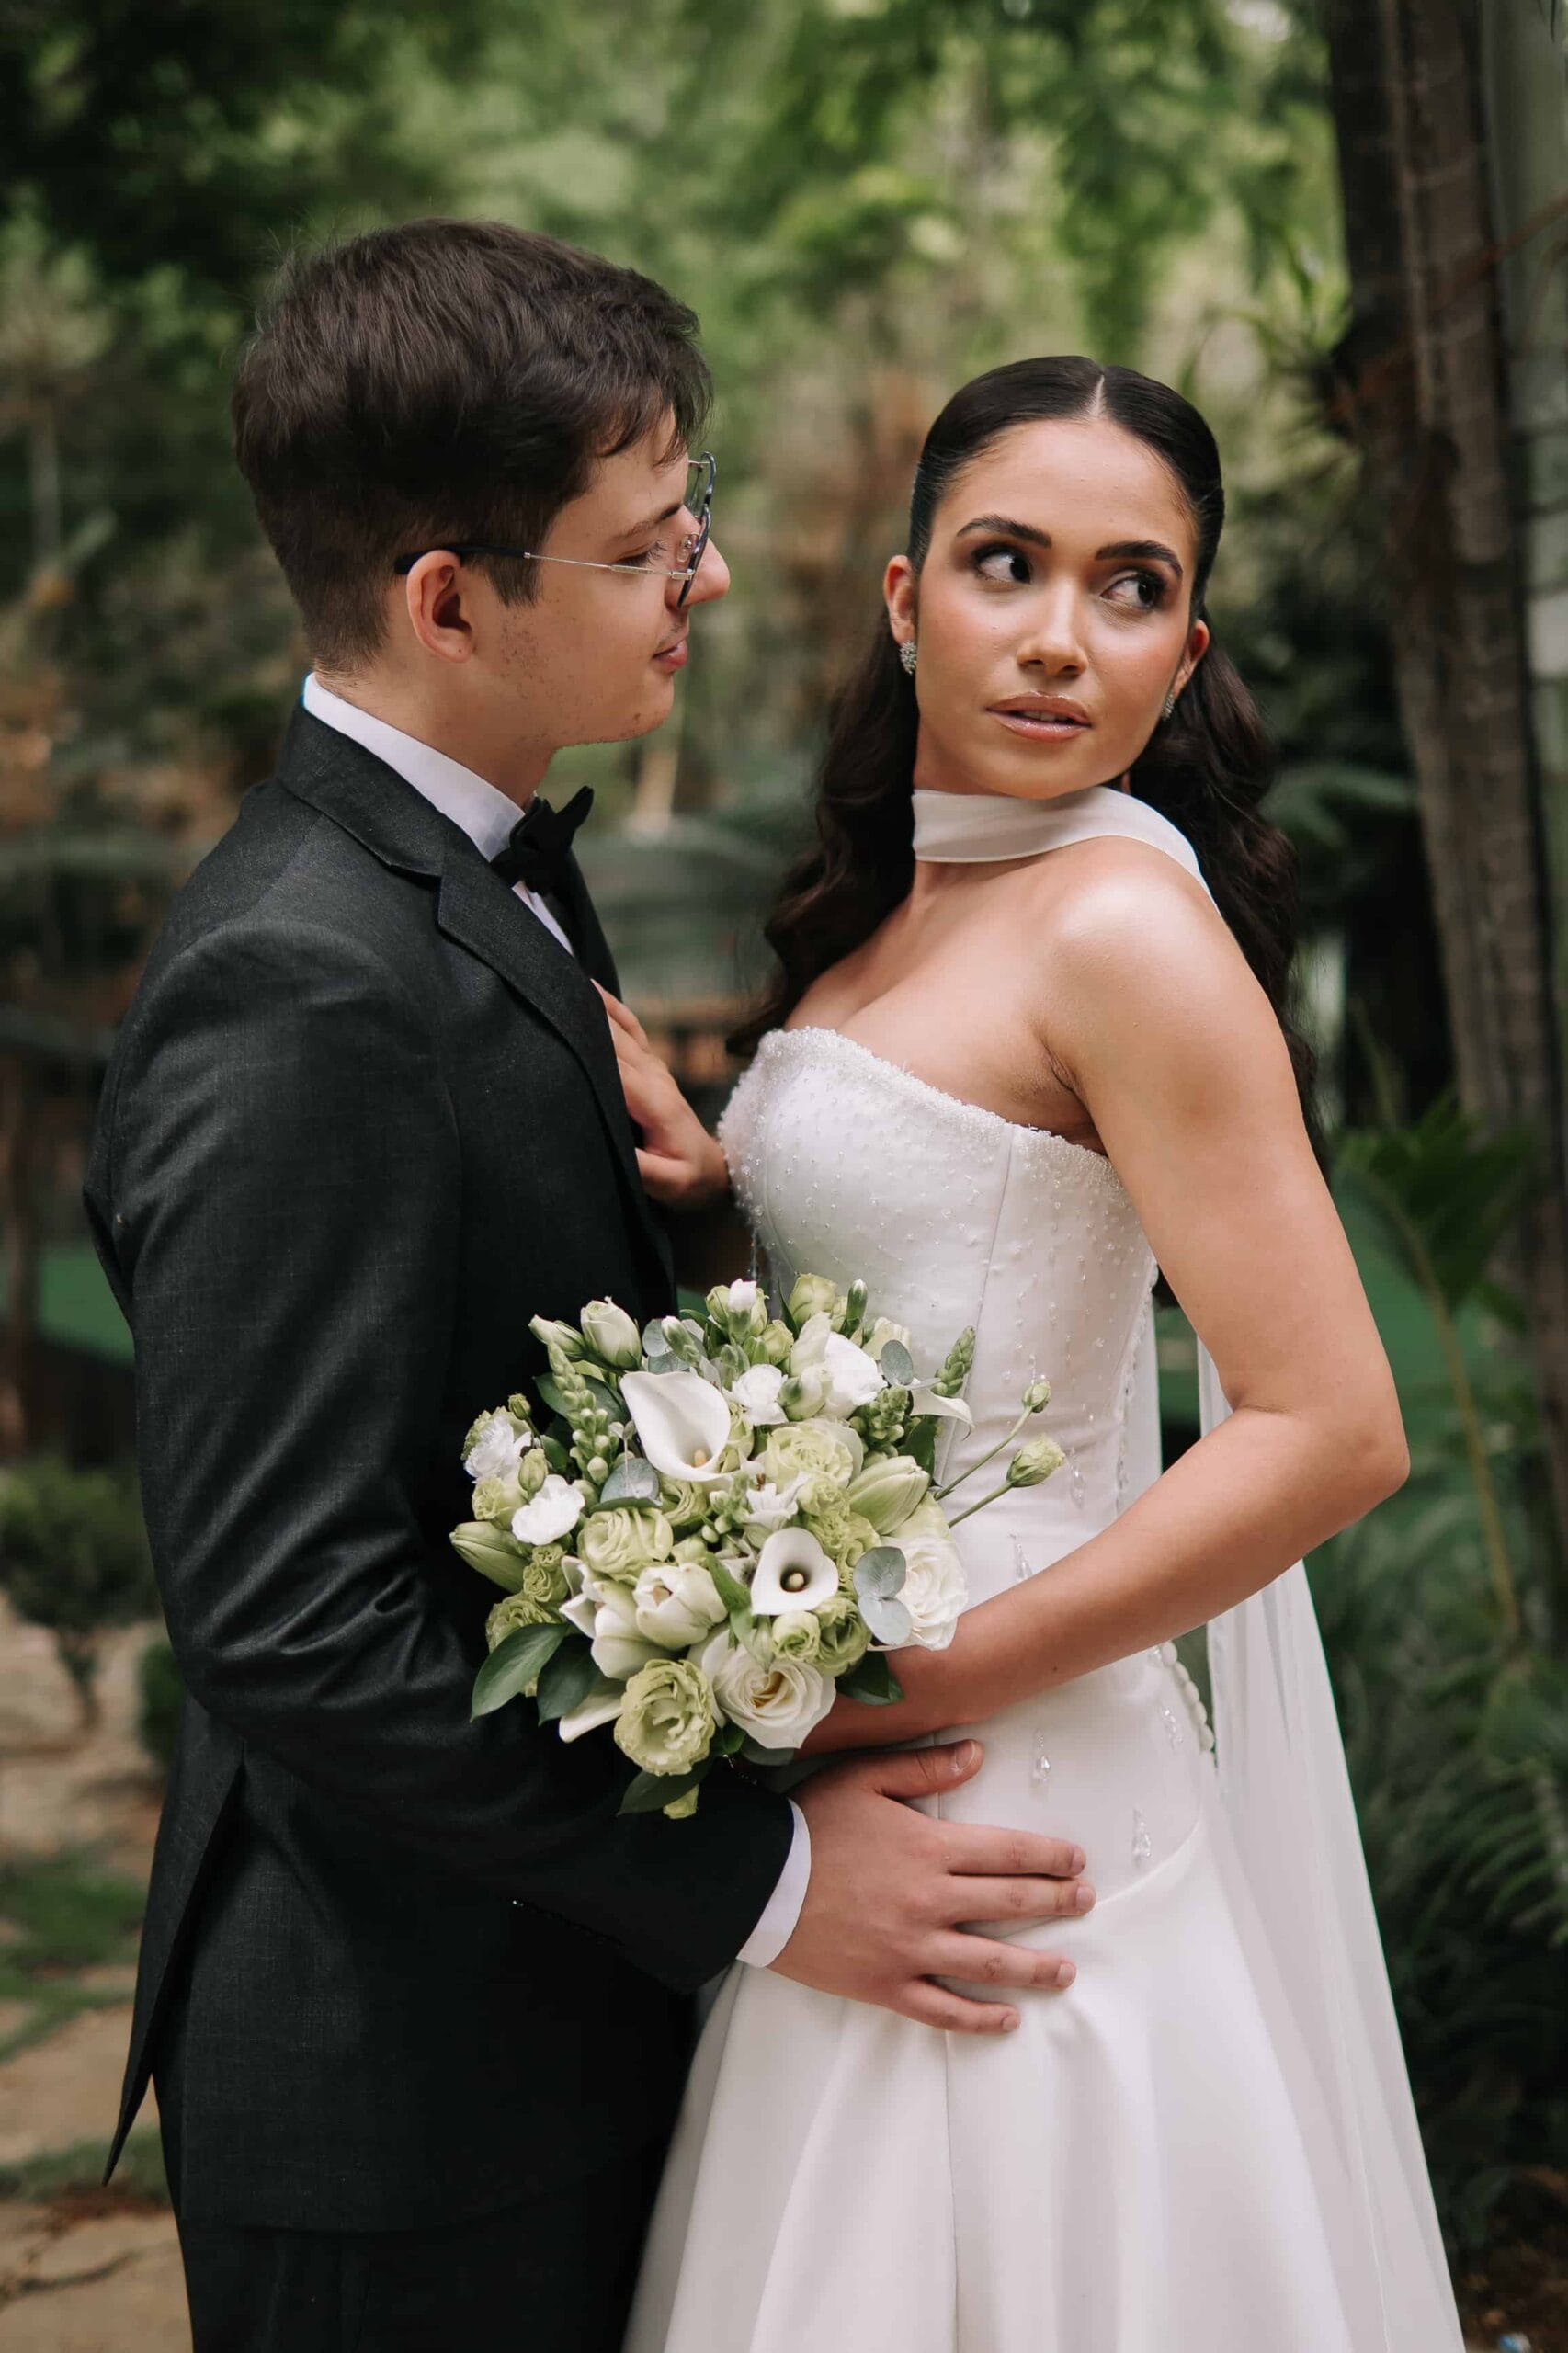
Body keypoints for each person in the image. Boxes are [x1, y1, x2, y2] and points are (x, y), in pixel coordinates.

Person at [81, 230, 1090, 2353]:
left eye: (688, 520)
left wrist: (713, 1229)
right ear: (448, 600)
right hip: (407, 2094)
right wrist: (767, 1885)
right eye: (644, 549)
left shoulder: (486, 870)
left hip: (552, 2018)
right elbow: (288, 1615)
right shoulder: (297, 981)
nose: (699, 578)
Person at [607, 357, 1467, 2350]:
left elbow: (1333, 1427)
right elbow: (929, 1266)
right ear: (906, 600)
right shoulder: (891, 915)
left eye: (1131, 585)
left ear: (1187, 650)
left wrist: (903, 1687)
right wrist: (718, 1185)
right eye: (1008, 563)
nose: (1062, 635)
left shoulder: (1121, 932)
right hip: (853, 1771)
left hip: (1015, 1778)